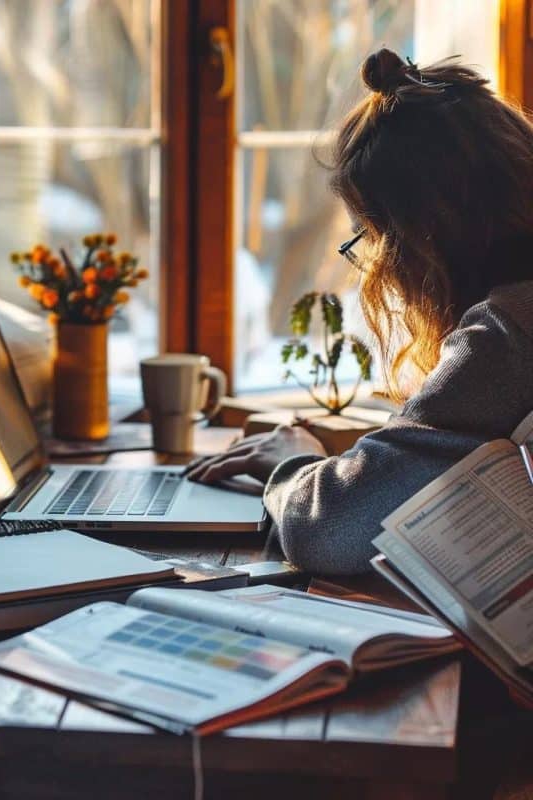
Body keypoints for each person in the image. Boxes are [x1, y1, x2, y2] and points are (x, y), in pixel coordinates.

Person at [188, 48, 533, 575]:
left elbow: (329, 529)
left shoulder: (510, 330)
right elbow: (441, 439)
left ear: (423, 237)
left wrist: (292, 460)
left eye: (369, 238)